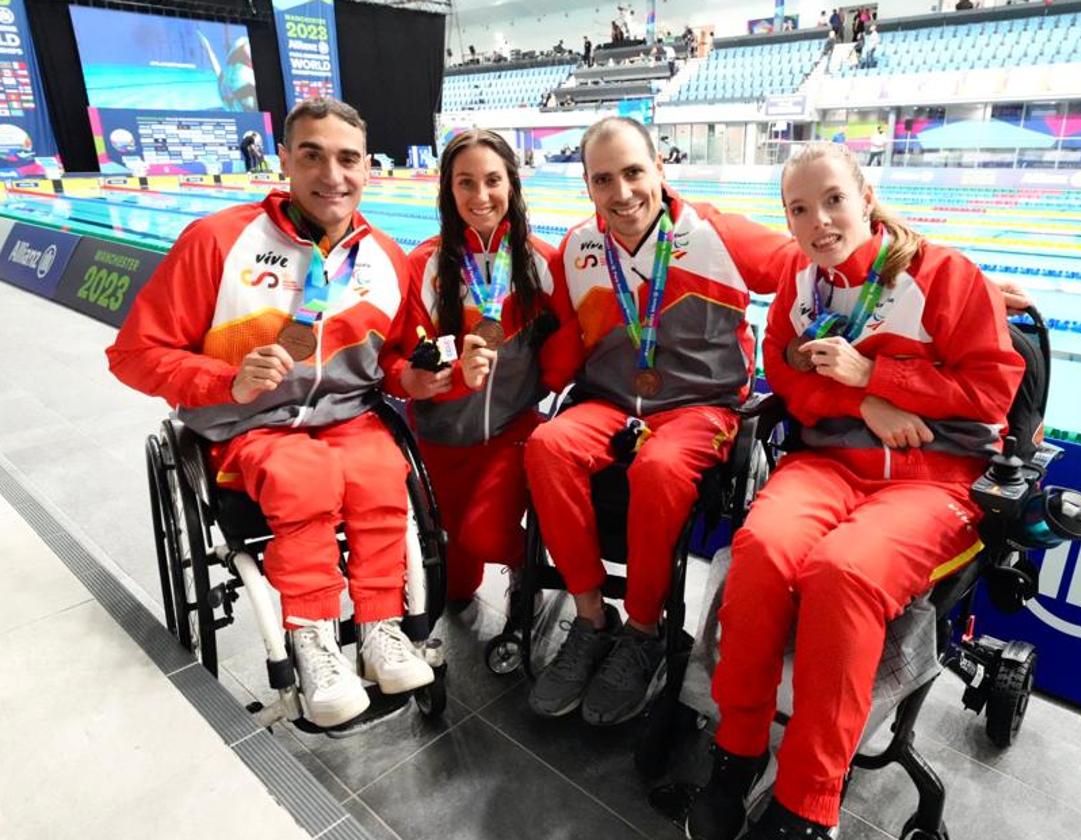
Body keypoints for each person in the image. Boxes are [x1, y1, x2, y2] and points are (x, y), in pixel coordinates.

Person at [685, 141, 1023, 839]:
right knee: (761, 551)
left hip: (932, 479)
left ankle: (807, 800)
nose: (820, 223)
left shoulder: (945, 274)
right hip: (829, 464)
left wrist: (879, 378)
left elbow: (994, 391)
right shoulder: (801, 288)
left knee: (844, 572)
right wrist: (859, 404)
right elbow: (789, 378)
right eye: (799, 210)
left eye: (833, 200)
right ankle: (738, 750)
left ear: (865, 196)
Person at [106, 98, 435, 729]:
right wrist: (226, 381)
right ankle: (312, 640)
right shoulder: (217, 241)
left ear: (369, 169)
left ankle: (379, 627)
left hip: (347, 417)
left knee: (380, 472)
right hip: (252, 426)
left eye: (348, 159)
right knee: (303, 478)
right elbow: (133, 354)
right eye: (312, 155)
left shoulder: (386, 258)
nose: (331, 175)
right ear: (284, 159)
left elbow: (394, 360)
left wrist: (412, 377)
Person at [523, 117, 795, 726]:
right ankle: (592, 620)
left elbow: (823, 256)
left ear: (659, 170)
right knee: (546, 445)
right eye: (603, 179)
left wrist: (958, 285)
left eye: (632, 172)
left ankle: (644, 629)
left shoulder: (716, 233)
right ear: (588, 188)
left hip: (700, 409)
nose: (621, 192)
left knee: (662, 467)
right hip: (609, 403)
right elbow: (564, 347)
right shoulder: (577, 249)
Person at [401, 130, 583, 609]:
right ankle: (514, 550)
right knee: (456, 589)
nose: (480, 196)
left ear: (512, 185)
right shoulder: (426, 266)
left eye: (492, 180)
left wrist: (537, 388)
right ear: (448, 189)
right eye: (465, 183)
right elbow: (402, 357)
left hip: (511, 432)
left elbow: (565, 350)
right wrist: (448, 378)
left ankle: (530, 561)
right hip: (441, 441)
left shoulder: (541, 263)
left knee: (484, 535)